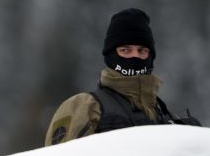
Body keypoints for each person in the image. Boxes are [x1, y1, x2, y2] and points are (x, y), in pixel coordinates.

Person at [45, 8, 201, 146]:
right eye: (125, 50)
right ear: (111, 54)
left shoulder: (166, 115)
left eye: (142, 51)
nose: (135, 56)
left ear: (151, 56)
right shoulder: (85, 107)